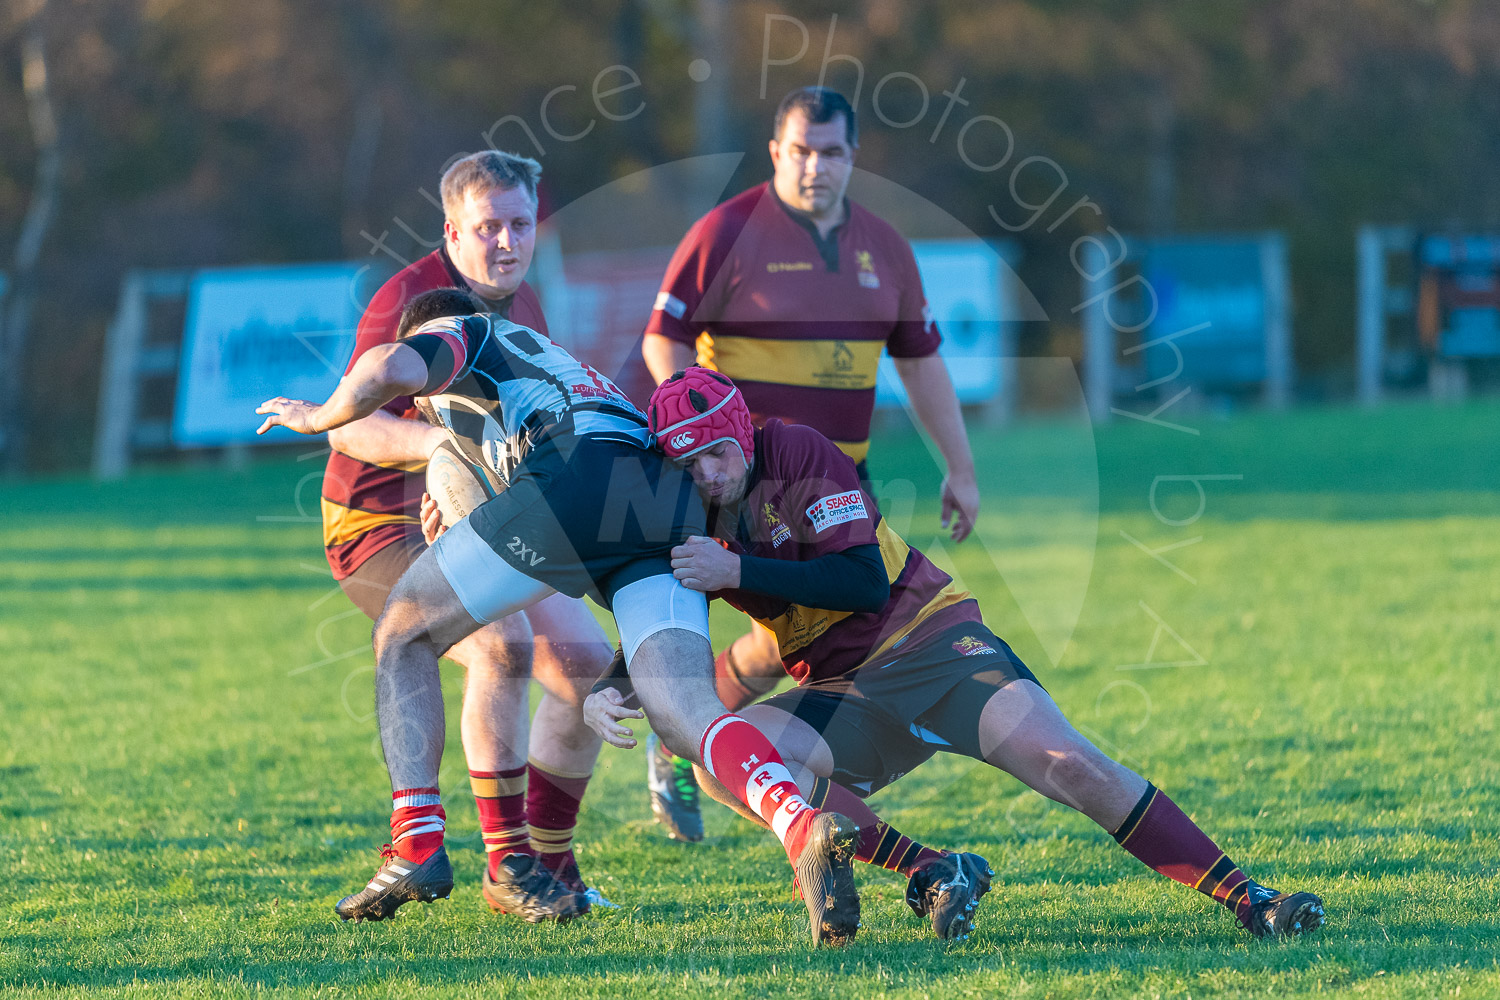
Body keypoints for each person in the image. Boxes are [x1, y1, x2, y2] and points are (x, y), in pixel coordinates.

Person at [585, 368, 1327, 943]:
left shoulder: (797, 450)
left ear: (742, 432)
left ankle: (1250, 899)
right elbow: (660, 623)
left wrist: (736, 572)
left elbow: (862, 582)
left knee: (1068, 764)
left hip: (929, 644)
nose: (707, 473)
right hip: (842, 690)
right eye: (688, 465)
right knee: (733, 765)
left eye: (716, 452)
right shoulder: (684, 513)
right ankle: (933, 872)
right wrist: (608, 687)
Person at [258, 291, 865, 947]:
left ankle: (417, 840)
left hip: (572, 477)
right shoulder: (561, 369)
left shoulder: (465, 333)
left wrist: (317, 414)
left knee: (403, 632)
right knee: (689, 712)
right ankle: (799, 822)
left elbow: (388, 371)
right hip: (666, 499)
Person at [637, 87, 982, 840]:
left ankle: (689, 735)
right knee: (780, 626)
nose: (815, 166)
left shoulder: (885, 247)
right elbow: (661, 341)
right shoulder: (726, 232)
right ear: (775, 151)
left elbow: (922, 366)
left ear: (853, 156)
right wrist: (693, 437)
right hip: (737, 494)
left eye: (830, 153)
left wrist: (961, 466)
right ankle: (695, 735)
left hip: (838, 486)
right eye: (800, 150)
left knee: (782, 635)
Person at [318, 149, 615, 921]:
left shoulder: (527, 308)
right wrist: (443, 457)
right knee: (500, 643)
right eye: (489, 227)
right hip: (379, 525)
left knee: (587, 667)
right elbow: (350, 431)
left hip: (490, 518)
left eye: (521, 224)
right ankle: (491, 861)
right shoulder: (409, 298)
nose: (508, 242)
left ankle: (548, 861)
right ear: (451, 230)